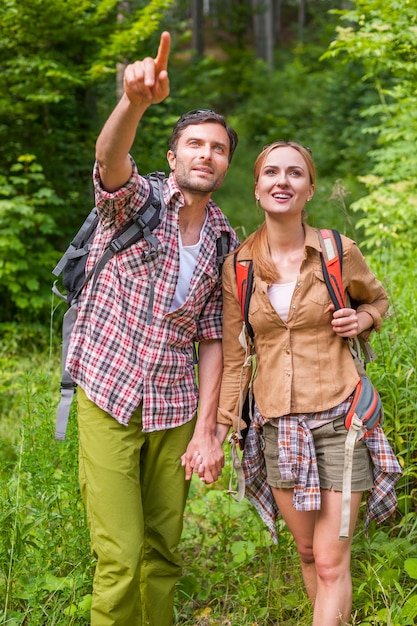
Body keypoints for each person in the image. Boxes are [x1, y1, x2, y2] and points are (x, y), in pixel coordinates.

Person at [65, 31, 239, 626]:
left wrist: (210, 433)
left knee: (163, 554)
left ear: (226, 165)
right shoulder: (135, 201)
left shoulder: (224, 240)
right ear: (172, 157)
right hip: (109, 395)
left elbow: (214, 339)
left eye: (218, 148)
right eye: (194, 143)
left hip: (175, 407)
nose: (205, 154)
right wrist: (135, 102)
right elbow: (110, 162)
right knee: (120, 555)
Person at [216, 141, 402, 626]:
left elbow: (378, 302)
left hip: (343, 421)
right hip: (278, 426)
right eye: (271, 173)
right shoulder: (238, 267)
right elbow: (236, 358)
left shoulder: (338, 252)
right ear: (256, 189)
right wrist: (221, 428)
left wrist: (362, 320)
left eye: (294, 173)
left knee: (329, 559)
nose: (283, 181)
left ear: (310, 188)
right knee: (304, 551)